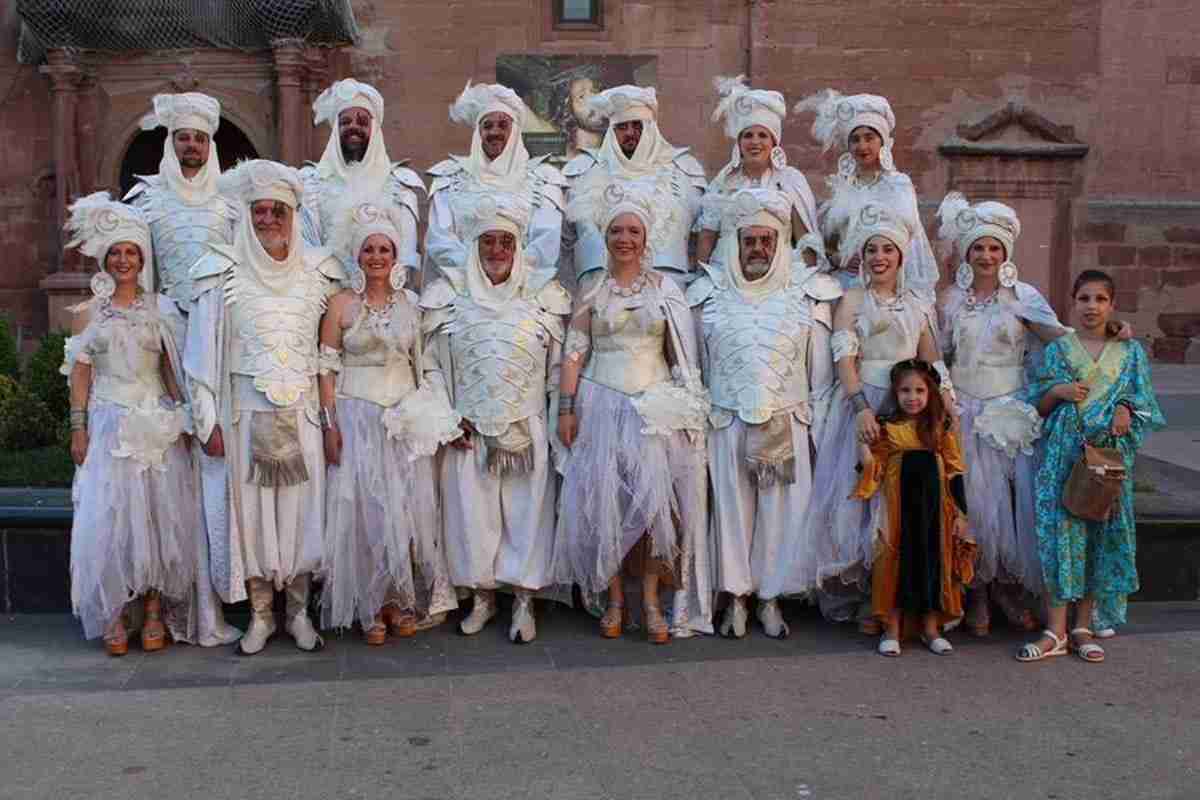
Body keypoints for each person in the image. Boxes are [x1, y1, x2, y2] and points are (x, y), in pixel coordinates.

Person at [185, 160, 345, 655]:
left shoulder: (321, 271)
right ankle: (259, 615)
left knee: (302, 518)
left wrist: (332, 418)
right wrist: (206, 419)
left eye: (279, 211)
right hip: (243, 417)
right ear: (247, 215)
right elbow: (200, 354)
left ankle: (297, 612)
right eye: (260, 211)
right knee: (251, 521)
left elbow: (336, 348)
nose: (269, 219)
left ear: (294, 215)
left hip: (303, 415)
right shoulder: (220, 271)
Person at [554, 182, 712, 644]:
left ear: (647, 239)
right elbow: (574, 352)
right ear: (606, 237)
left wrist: (688, 407)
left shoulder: (667, 289)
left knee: (653, 509)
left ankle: (650, 601)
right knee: (608, 505)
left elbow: (680, 352)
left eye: (633, 232)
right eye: (617, 231)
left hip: (653, 407)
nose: (625, 239)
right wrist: (566, 408)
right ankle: (616, 601)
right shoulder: (590, 289)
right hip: (601, 403)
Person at [792, 203, 954, 629]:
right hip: (864, 405)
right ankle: (867, 595)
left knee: (901, 503)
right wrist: (861, 406)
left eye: (887, 250)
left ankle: (903, 595)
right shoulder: (852, 300)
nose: (879, 257)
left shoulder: (918, 305)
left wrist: (948, 404)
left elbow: (931, 360)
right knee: (862, 499)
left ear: (901, 257)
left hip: (908, 406)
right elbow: (845, 356)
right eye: (871, 251)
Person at [689, 188, 841, 639]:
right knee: (733, 513)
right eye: (750, 240)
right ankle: (735, 598)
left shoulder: (808, 295)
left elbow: (821, 374)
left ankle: (771, 597)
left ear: (780, 243)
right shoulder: (707, 295)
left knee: (780, 516)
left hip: (786, 421)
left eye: (767, 240)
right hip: (726, 420)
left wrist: (820, 436)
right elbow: (696, 363)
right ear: (735, 243)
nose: (758, 249)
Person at [420, 192, 569, 644]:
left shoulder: (544, 297)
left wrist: (553, 418)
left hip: (526, 427)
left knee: (526, 516)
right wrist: (447, 417)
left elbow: (558, 365)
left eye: (506, 242)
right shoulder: (448, 297)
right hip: (469, 429)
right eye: (489, 242)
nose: (498, 251)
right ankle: (483, 597)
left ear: (519, 248)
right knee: (473, 517)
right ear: (474, 246)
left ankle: (523, 600)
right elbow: (427, 363)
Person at [125, 91, 242, 648]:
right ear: (170, 143)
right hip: (169, 342)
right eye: (181, 137)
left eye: (199, 137)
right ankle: (174, 603)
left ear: (210, 143)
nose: (191, 145)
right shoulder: (147, 203)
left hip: (222, 346)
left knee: (222, 466)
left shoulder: (232, 201)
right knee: (178, 475)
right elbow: (142, 282)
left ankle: (227, 593)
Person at [318, 197, 462, 644]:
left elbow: (425, 362)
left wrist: (434, 416)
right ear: (356, 255)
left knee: (404, 510)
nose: (377, 257)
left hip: (401, 420)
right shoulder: (340, 304)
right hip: (355, 415)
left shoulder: (412, 305)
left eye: (385, 250)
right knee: (364, 511)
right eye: (369, 250)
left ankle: (402, 597)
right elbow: (325, 367)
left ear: (396, 256)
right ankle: (370, 603)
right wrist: (330, 424)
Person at [61, 193, 197, 656]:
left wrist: (184, 417)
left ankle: (155, 610)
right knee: (111, 520)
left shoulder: (162, 309)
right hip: (108, 423)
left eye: (131, 252)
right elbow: (80, 373)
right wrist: (78, 427)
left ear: (143, 259)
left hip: (153, 424)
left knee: (158, 520)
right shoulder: (86, 313)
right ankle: (116, 612)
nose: (123, 260)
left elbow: (169, 371)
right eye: (116, 252)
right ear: (105, 259)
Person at [935, 193, 1069, 636]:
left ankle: (1009, 591)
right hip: (965, 413)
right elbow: (940, 355)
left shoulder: (1023, 297)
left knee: (1012, 510)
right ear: (967, 253)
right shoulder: (953, 300)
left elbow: (1059, 339)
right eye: (978, 248)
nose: (987, 256)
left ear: (1006, 253)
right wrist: (947, 399)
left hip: (1009, 413)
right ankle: (975, 593)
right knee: (971, 506)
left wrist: (1107, 333)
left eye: (994, 248)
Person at [1016, 270, 1164, 664]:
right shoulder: (1059, 350)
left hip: (1107, 462)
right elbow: (1036, 406)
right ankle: (1055, 629)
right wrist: (1056, 392)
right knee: (1058, 537)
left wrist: (1125, 407)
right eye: (1084, 299)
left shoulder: (1130, 352)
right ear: (1073, 302)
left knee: (1099, 536)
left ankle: (1083, 626)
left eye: (1100, 299)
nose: (1091, 307)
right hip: (1062, 460)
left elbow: (1145, 402)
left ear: (1112, 304)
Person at [853, 359, 976, 656]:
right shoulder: (887, 427)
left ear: (930, 392)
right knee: (895, 564)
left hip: (936, 513)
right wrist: (864, 450)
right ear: (895, 393)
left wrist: (961, 514)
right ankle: (892, 629)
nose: (912, 397)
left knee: (933, 563)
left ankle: (930, 629)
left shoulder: (940, 427)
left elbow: (955, 470)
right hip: (897, 513)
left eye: (919, 390)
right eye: (905, 391)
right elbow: (873, 469)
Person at [793, 90, 938, 297]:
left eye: (869, 138)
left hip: (888, 285)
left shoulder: (898, 185)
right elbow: (830, 245)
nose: (862, 146)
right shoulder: (842, 188)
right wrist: (839, 259)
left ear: (882, 142)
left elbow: (908, 241)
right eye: (856, 139)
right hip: (844, 284)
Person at [562, 85, 706, 287]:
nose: (630, 133)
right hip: (596, 292)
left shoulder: (684, 172)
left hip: (668, 290)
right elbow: (564, 243)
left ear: (651, 128)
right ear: (612, 131)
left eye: (637, 125)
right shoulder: (582, 172)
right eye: (622, 127)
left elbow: (701, 239)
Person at [426, 82, 565, 286]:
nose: (494, 132)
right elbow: (441, 241)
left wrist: (506, 274)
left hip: (524, 291)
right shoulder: (450, 179)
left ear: (516, 131)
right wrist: (479, 275)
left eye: (503, 125)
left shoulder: (543, 181)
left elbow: (545, 245)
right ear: (478, 133)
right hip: (462, 288)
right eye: (487, 126)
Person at [299, 78, 425, 286]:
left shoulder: (399, 184)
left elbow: (406, 251)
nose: (353, 127)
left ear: (374, 129)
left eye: (362, 122)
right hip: (327, 294)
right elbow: (308, 247)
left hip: (385, 295)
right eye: (345, 122)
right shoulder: (312, 182)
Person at [695, 76, 819, 268]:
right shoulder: (723, 182)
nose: (755, 142)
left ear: (774, 142)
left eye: (762, 135)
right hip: (725, 272)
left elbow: (805, 239)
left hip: (778, 275)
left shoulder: (790, 180)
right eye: (748, 135)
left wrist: (810, 278)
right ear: (739, 142)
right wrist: (701, 275)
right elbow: (707, 236)